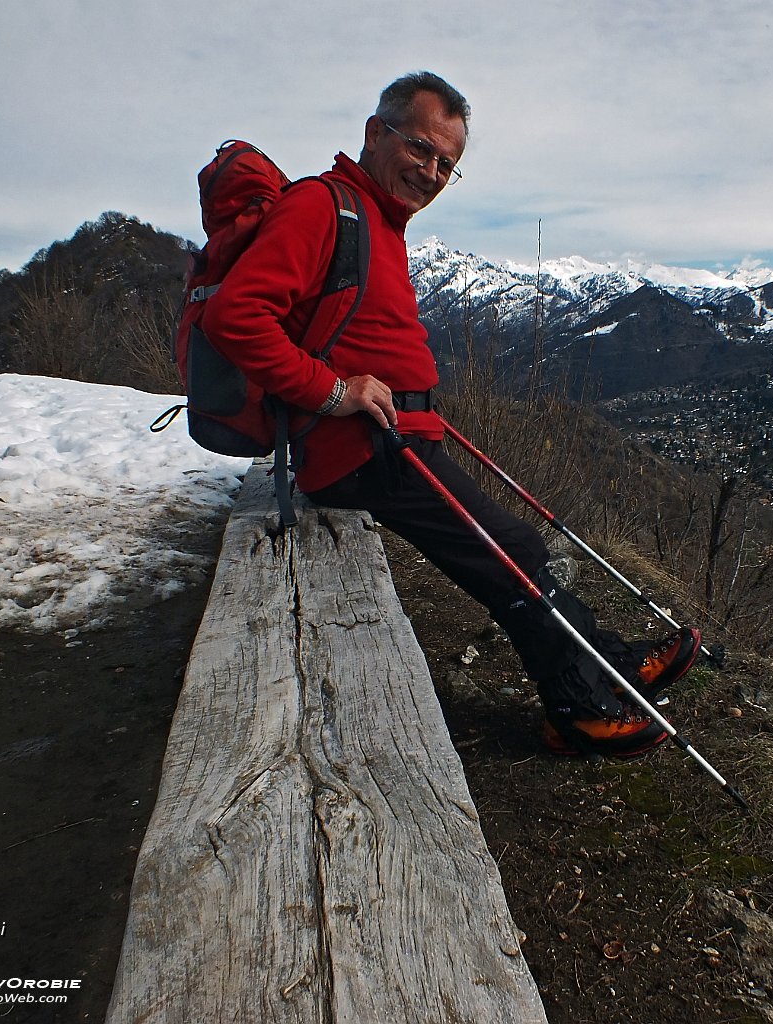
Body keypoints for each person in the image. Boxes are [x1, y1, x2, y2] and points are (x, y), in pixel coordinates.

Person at [202, 71, 699, 758]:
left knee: (515, 546)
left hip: (397, 436)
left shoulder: (376, 218)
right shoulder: (324, 207)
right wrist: (334, 393)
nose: (432, 171)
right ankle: (578, 707)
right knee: (511, 555)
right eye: (422, 149)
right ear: (377, 134)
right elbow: (237, 317)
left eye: (447, 164)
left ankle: (609, 663)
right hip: (362, 448)